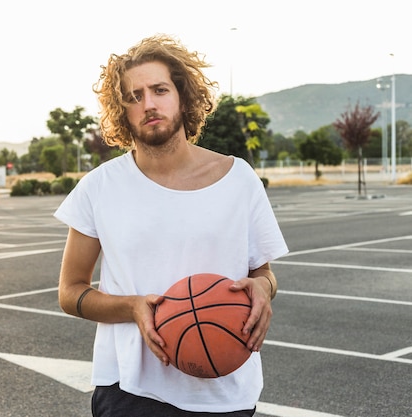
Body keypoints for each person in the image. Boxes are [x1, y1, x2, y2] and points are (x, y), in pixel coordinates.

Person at [54, 34, 288, 416]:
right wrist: (132, 307)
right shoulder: (98, 187)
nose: (148, 104)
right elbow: (70, 292)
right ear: (122, 110)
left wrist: (263, 288)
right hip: (130, 390)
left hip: (225, 385)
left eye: (159, 89)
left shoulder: (238, 178)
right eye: (134, 96)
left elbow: (264, 273)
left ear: (182, 95)